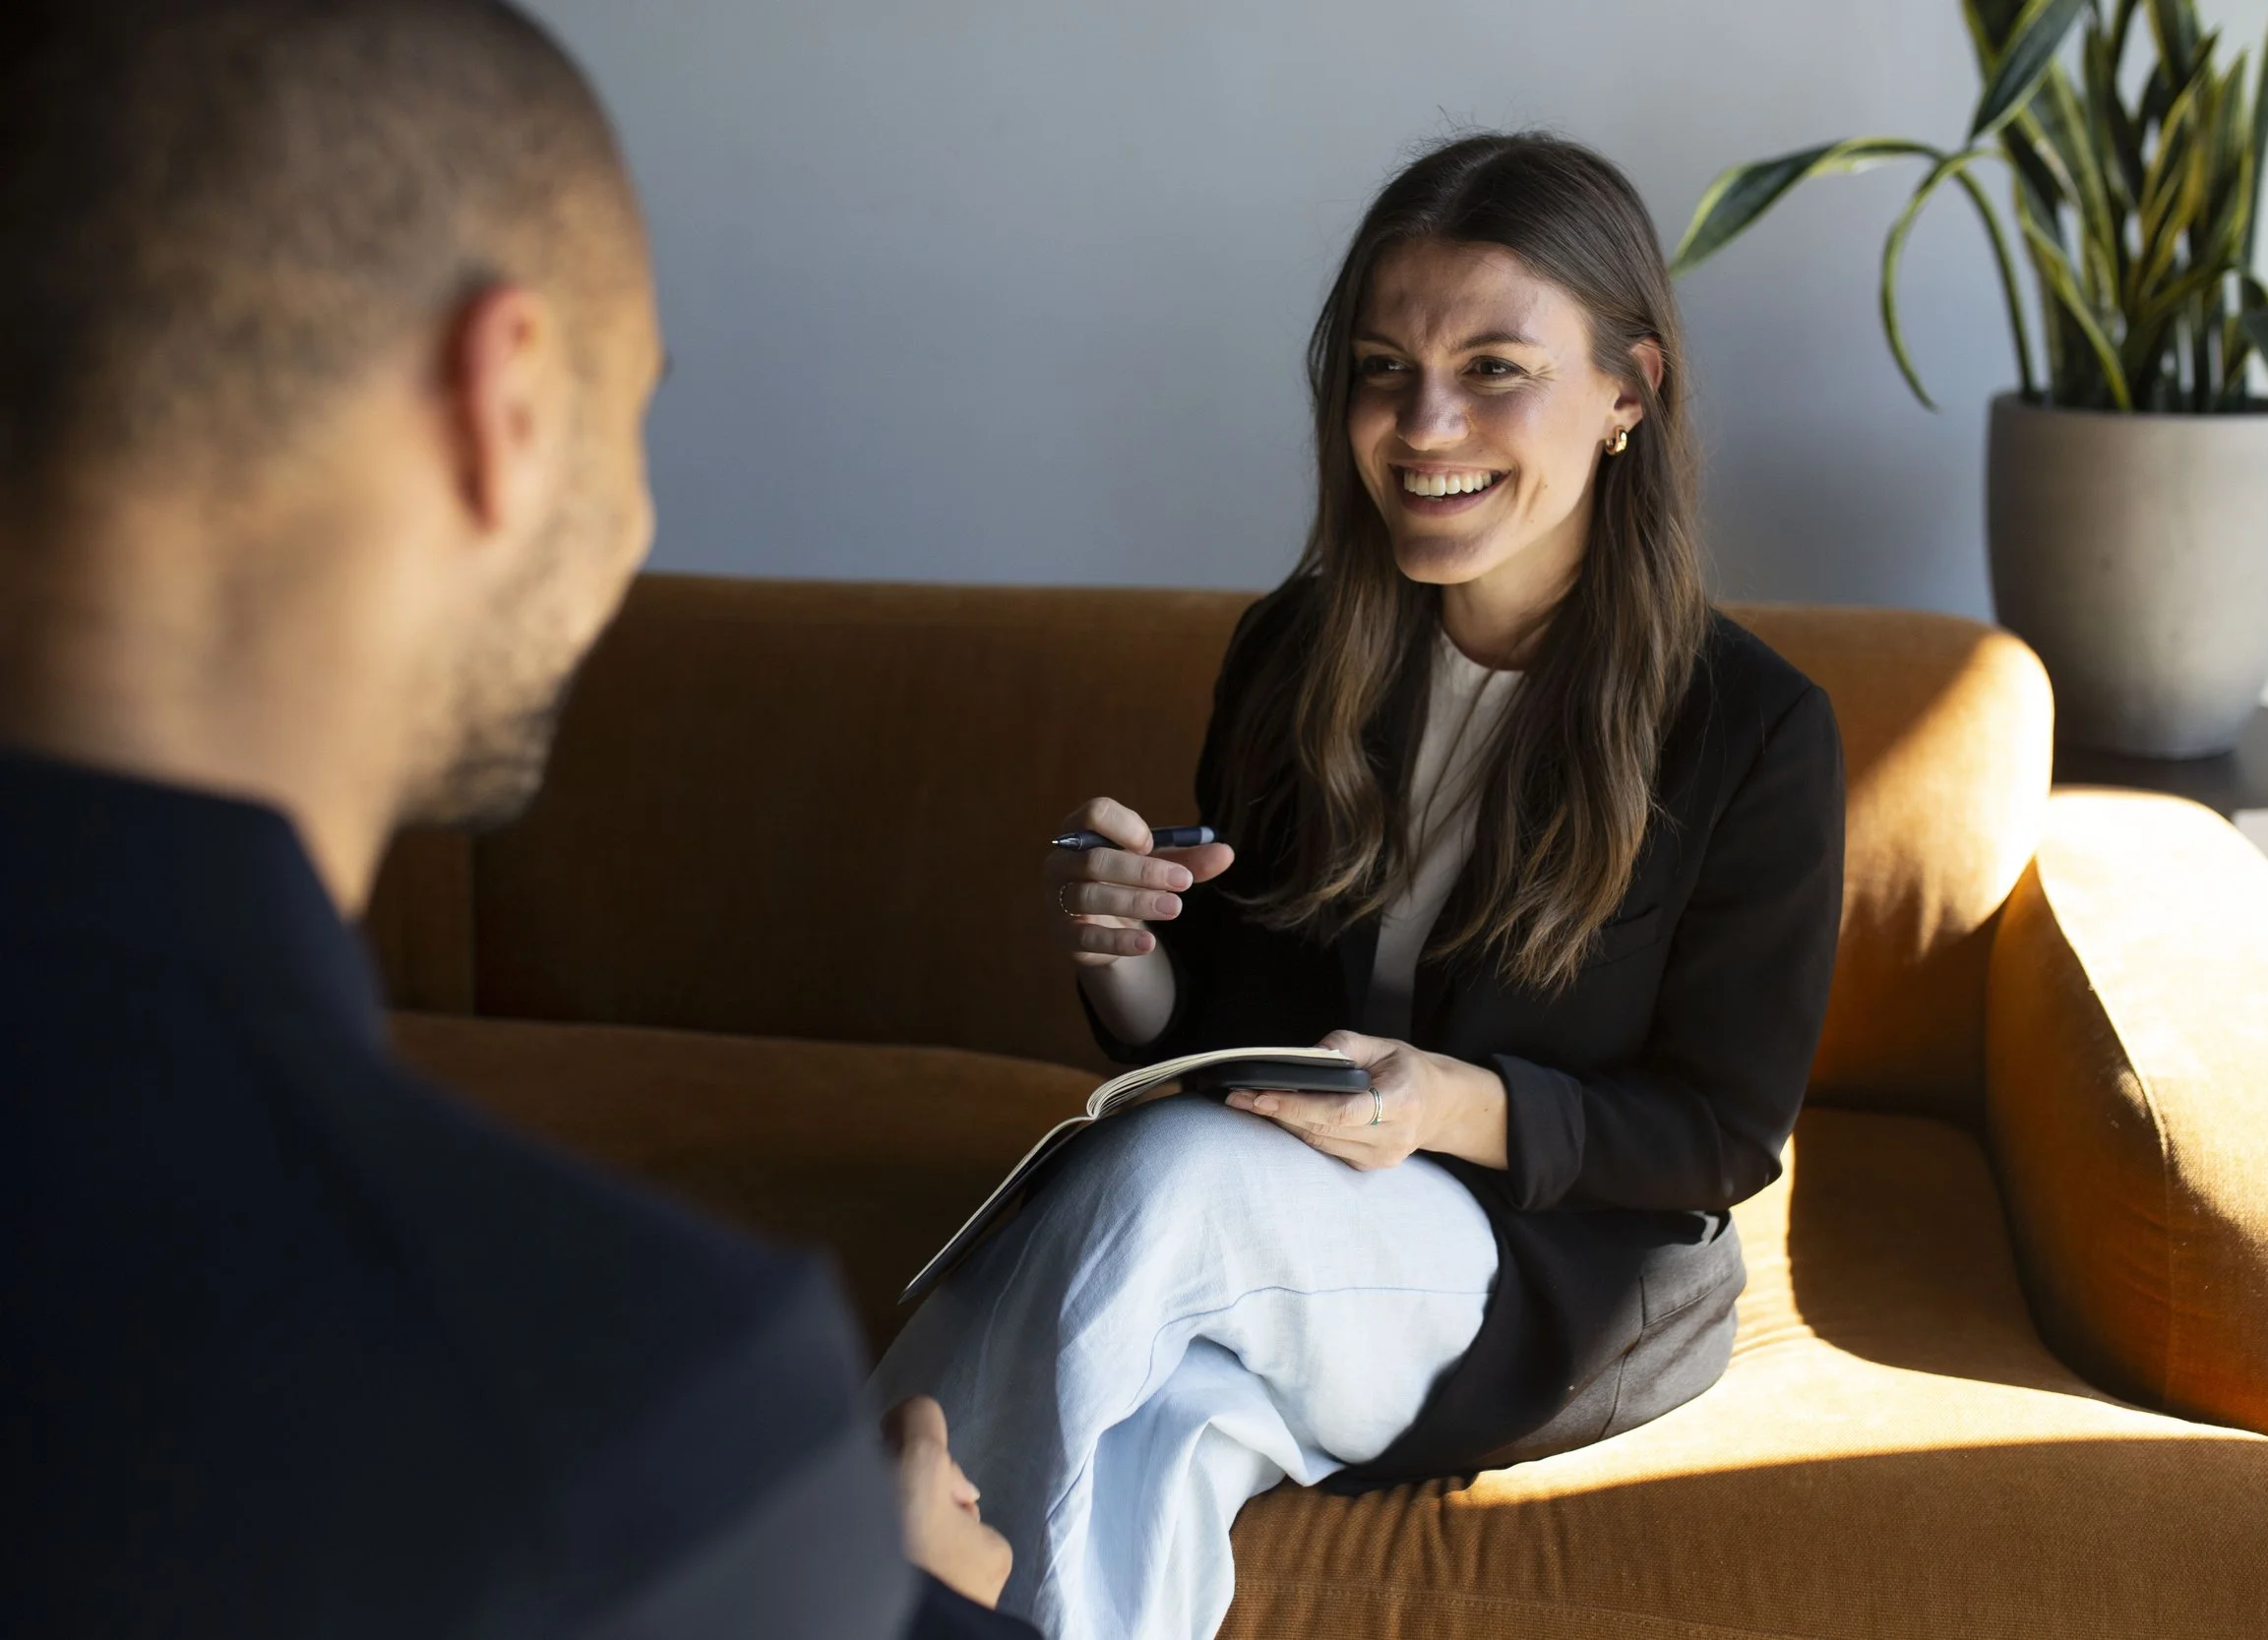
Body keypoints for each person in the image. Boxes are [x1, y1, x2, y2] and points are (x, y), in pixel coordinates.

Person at [0, 3, 1032, 1636]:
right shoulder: (637, 1418)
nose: (636, 522)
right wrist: (878, 1586)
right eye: (636, 413)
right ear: (511, 402)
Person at [873, 133, 1849, 1640]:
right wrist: (1131, 950)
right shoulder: (1300, 650)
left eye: (1494, 368)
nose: (1423, 423)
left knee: (1154, 1189)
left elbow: (1720, 1130)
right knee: (1164, 1436)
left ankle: (846, 1567)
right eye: (1384, 369)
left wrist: (1447, 1105)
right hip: (1283, 1227)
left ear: (1629, 394)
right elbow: (1231, 1033)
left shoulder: (1752, 729)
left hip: (1533, 1273)